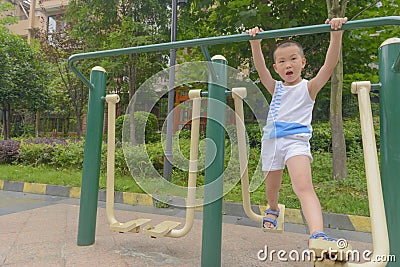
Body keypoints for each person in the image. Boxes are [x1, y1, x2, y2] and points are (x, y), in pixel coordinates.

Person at [246, 17, 348, 245]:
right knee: (271, 186)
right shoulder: (276, 87)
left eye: (293, 59)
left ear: (302, 62)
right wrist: (255, 43)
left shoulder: (309, 87)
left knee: (303, 186)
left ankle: (317, 232)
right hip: (272, 142)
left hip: (296, 142)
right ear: (277, 68)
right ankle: (272, 208)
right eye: (282, 61)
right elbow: (261, 70)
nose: (288, 65)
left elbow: (328, 66)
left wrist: (336, 34)